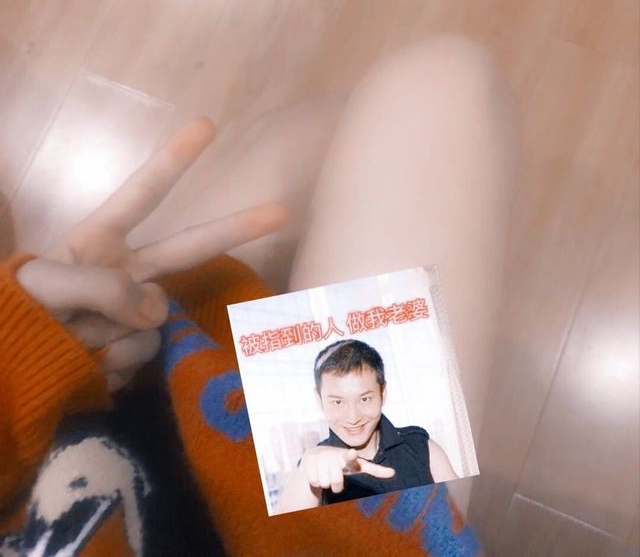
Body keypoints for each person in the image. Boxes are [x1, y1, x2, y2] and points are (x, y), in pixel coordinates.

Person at [0, 33, 518, 556]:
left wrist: (15, 365)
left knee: (310, 137)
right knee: (440, 84)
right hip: (330, 528)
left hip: (93, 406)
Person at [276, 340, 458, 513]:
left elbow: (464, 513)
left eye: (364, 399)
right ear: (319, 400)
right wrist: (306, 471)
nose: (353, 418)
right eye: (338, 402)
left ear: (383, 393)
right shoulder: (316, 467)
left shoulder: (420, 446)